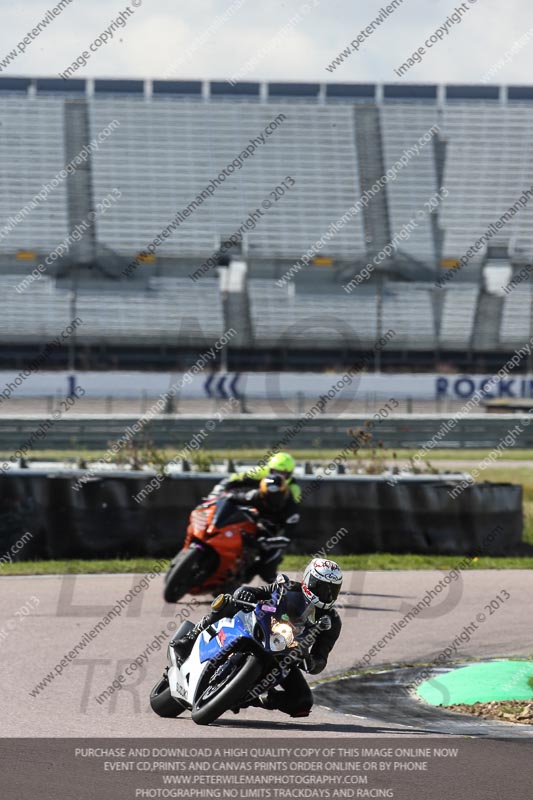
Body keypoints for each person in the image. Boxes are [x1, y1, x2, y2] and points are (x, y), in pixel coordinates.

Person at [173, 558, 343, 718]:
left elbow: (321, 658)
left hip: (284, 656)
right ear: (309, 580)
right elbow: (254, 591)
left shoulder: (332, 621)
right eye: (322, 587)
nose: (327, 594)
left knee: (303, 701)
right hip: (259, 629)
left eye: (332, 589)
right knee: (228, 601)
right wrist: (246, 593)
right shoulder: (288, 587)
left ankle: (259, 696)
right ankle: (190, 638)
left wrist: (312, 662)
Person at [226, 474, 300, 581]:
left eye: (278, 495)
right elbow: (234, 497)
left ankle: (246, 575)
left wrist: (266, 543)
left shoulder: (291, 509)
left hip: (272, 537)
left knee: (268, 573)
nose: (273, 499)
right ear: (262, 493)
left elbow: (287, 538)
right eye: (268, 496)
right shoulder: (255, 495)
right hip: (250, 529)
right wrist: (224, 496)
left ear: (285, 493)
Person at [212, 452, 301, 505]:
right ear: (270, 469)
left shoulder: (294, 488)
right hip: (250, 504)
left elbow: (292, 509)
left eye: (283, 473)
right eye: (275, 472)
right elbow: (235, 478)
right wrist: (220, 490)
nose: (278, 476)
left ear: (290, 474)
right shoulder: (260, 472)